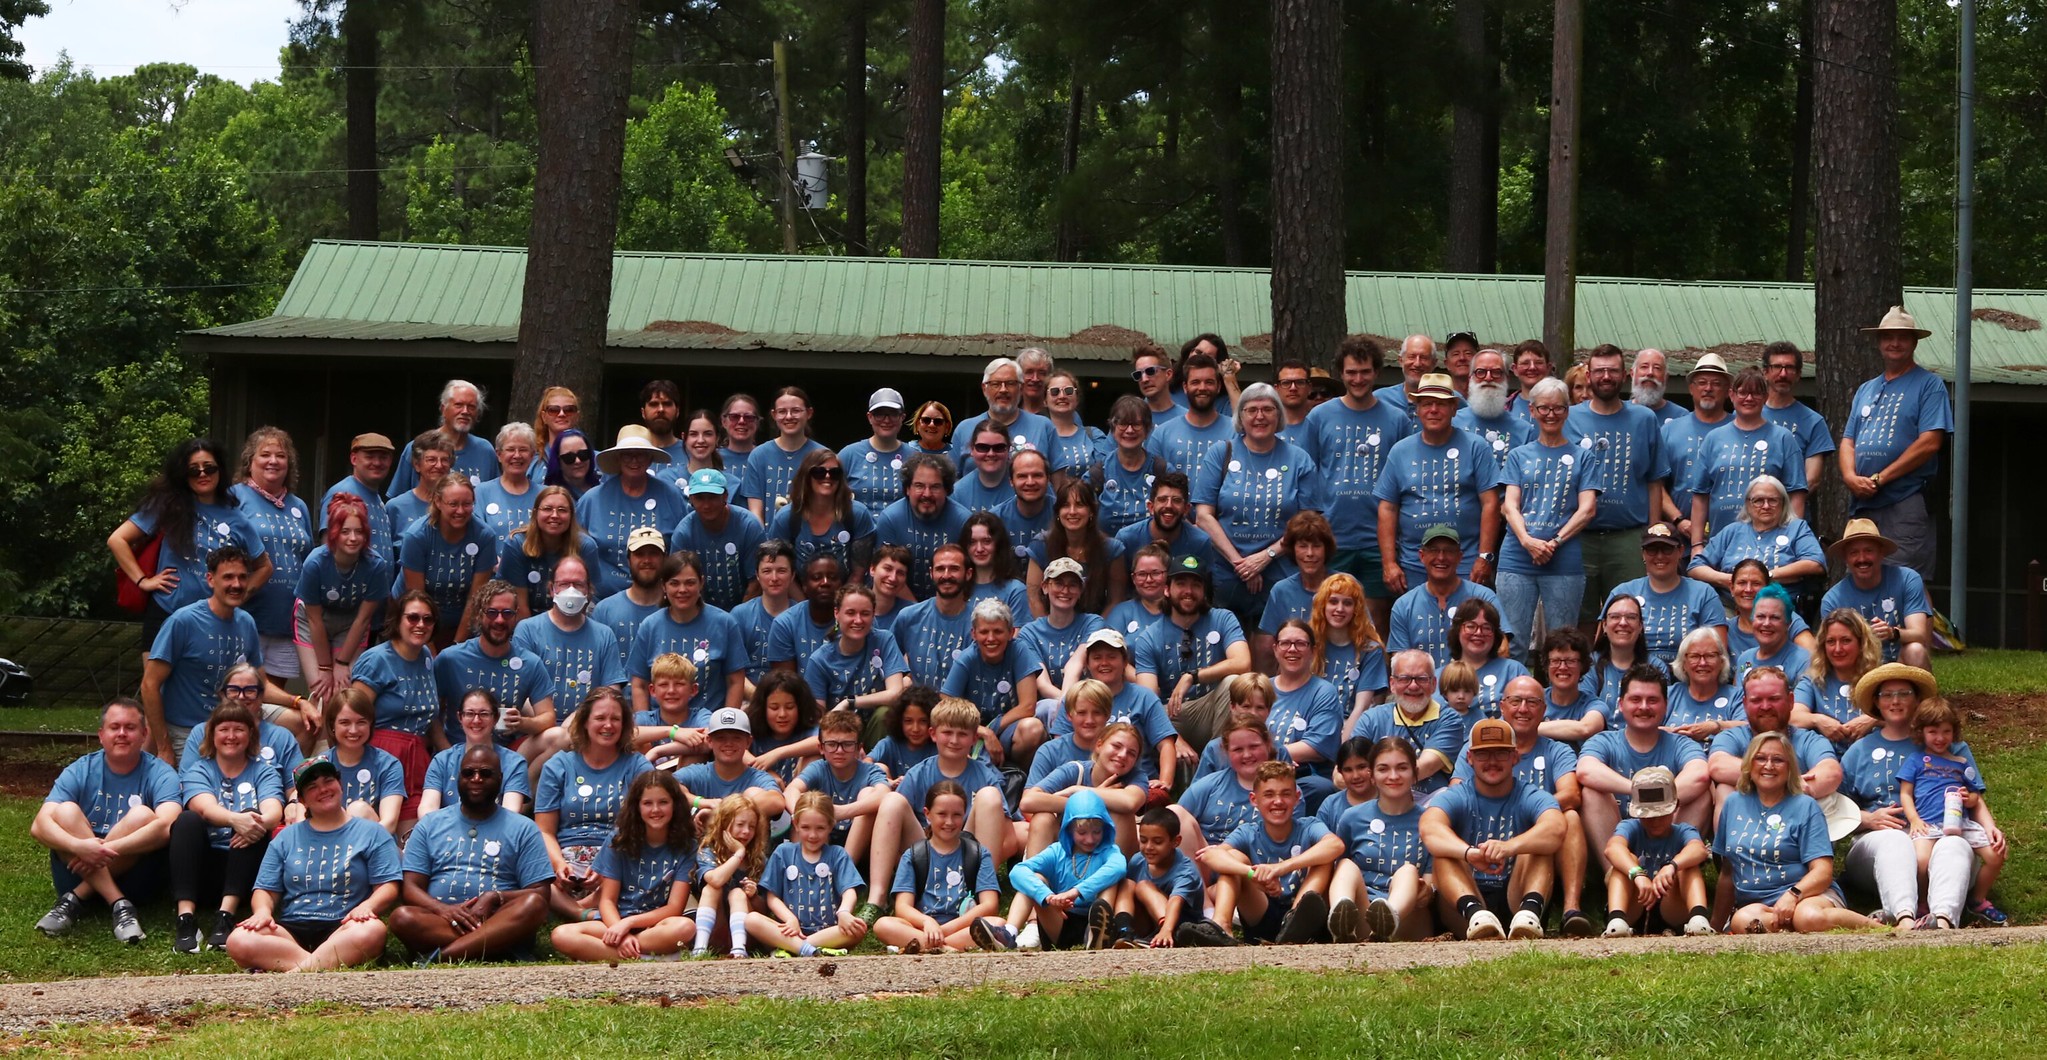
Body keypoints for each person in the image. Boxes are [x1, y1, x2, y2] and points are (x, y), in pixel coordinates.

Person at [224, 759, 400, 971]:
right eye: (312, 787)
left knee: (373, 930)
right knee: (238, 939)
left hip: (346, 925)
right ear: (302, 800)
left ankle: (299, 971)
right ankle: (320, 966)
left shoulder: (372, 832)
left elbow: (388, 885)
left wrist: (368, 906)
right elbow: (265, 889)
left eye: (328, 781)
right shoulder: (286, 837)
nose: (323, 790)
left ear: (340, 785)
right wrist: (262, 912)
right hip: (291, 930)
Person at [32, 698, 182, 943]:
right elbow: (39, 825)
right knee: (65, 811)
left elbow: (168, 825)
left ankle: (74, 899)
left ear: (144, 734)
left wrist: (104, 849)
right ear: (101, 735)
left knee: (143, 815)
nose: (122, 733)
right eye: (115, 727)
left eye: (130, 727)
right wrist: (79, 846)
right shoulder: (80, 769)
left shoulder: (161, 773)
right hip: (75, 869)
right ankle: (119, 904)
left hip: (136, 878)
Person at [390, 744, 555, 961]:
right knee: (402, 917)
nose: (476, 779)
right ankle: (494, 944)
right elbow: (411, 887)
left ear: (500, 778)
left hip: (500, 917)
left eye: (485, 773)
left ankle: (443, 956)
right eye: (468, 773)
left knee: (533, 905)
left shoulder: (524, 828)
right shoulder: (430, 824)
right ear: (458, 778)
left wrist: (495, 897)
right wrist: (443, 910)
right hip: (444, 920)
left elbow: (540, 893)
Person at [110, 438, 271, 659]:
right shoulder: (168, 506)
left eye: (209, 468)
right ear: (183, 475)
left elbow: (264, 567)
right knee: (154, 679)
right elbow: (117, 540)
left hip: (212, 622)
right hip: (165, 611)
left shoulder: (237, 518)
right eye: (194, 470)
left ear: (219, 470)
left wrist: (236, 596)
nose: (202, 474)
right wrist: (143, 581)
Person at [1838, 664, 1969, 930]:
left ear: (1917, 699)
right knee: (1894, 840)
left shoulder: (1946, 744)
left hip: (1937, 836)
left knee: (1954, 844)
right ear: (1876, 702)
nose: (1895, 701)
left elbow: (1974, 795)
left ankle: (1942, 921)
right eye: (1886, 695)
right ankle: (1904, 919)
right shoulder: (1859, 751)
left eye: (1904, 693)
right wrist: (1867, 819)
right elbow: (1834, 808)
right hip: (1876, 844)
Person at [1421, 718, 1564, 940]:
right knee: (1444, 854)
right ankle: (1477, 915)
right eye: (1483, 754)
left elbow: (1556, 828)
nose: (1492, 761)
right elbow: (1429, 828)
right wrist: (1469, 853)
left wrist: (1509, 847)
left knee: (1540, 845)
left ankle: (1529, 913)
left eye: (1501, 753)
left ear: (1515, 757)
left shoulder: (1531, 794)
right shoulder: (1457, 795)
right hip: (1465, 905)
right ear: (1470, 758)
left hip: (1515, 898)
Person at [141, 546, 285, 763]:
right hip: (188, 728)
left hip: (237, 722)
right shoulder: (183, 621)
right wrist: (163, 747)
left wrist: (298, 702)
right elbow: (149, 685)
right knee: (203, 781)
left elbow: (261, 683)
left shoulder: (246, 622)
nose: (236, 584)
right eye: (228, 577)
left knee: (302, 722)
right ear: (210, 579)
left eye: (242, 577)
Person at [1716, 731, 1872, 933]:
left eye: (1778, 760)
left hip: (1809, 895)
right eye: (1760, 758)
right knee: (1744, 920)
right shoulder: (1733, 803)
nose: (1769, 766)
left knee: (1809, 917)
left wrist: (1793, 895)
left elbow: (1823, 871)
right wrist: (1715, 925)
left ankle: (1879, 927)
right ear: (1748, 764)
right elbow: (1728, 872)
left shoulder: (1805, 806)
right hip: (1757, 904)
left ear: (1790, 768)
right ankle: (1793, 925)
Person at [1193, 382, 1322, 625]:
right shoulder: (1221, 453)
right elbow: (1203, 516)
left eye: (1268, 409)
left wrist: (1266, 556)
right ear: (1240, 416)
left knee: (1279, 640)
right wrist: (1241, 564)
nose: (1259, 416)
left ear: (1279, 415)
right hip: (1226, 572)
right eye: (1251, 410)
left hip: (1280, 572)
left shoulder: (1299, 459)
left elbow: (1307, 522)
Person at [1839, 306, 1954, 578]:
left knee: (1906, 579)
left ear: (1914, 343)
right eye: (1888, 337)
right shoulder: (1866, 389)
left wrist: (1880, 479)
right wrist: (1850, 477)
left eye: (1902, 337)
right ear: (1879, 343)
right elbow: (1848, 441)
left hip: (1905, 498)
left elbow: (1930, 442)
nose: (1895, 343)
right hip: (1864, 502)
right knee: (1861, 578)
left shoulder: (1929, 384)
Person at [1179, 761, 1343, 947]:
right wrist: (1253, 874)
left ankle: (1295, 920)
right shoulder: (1247, 831)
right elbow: (1212, 856)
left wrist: (1279, 868)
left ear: (1297, 797)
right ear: (1254, 800)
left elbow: (1335, 845)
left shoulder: (1309, 826)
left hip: (1303, 912)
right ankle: (1221, 927)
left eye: (1286, 794)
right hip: (1261, 910)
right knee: (1234, 858)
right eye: (1269, 795)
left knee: (1324, 858)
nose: (1278, 801)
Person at [1563, 345, 1670, 629]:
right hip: (1578, 538)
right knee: (1579, 620)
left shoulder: (1644, 419)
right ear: (1589, 375)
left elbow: (1654, 480)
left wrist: (1652, 533)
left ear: (1625, 375)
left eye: (1613, 371)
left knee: (1630, 616)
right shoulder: (1569, 418)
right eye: (1600, 371)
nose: (1606, 376)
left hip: (1628, 538)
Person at [170, 700, 283, 953]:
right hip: (204, 869)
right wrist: (235, 820)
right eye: (224, 729)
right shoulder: (199, 770)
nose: (231, 736)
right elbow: (203, 808)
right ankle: (186, 918)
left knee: (254, 818)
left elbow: (274, 812)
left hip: (245, 869)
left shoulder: (264, 771)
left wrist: (253, 822)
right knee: (187, 820)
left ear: (250, 734)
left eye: (239, 729)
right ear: (212, 735)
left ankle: (225, 916)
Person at [549, 770, 699, 962]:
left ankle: (609, 952)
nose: (655, 810)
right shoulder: (619, 839)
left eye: (663, 802)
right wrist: (619, 932)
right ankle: (648, 958)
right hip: (613, 921)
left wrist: (628, 924)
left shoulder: (686, 846)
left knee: (685, 927)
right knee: (562, 935)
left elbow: (674, 907)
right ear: (637, 806)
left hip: (654, 924)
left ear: (675, 804)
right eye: (647, 803)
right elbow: (607, 900)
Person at [1375, 373, 1502, 594]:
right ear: (1417, 409)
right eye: (1426, 404)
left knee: (1469, 616)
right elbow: (1387, 508)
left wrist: (1484, 557)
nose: (1433, 410)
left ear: (1454, 409)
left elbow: (1490, 503)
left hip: (1466, 561)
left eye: (1441, 404)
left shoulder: (1476, 447)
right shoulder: (1400, 451)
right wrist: (1389, 563)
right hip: (1414, 563)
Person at [1497, 377, 1597, 655]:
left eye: (1558, 408)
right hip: (1517, 557)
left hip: (1563, 559)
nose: (1550, 414)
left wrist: (1554, 543)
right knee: (1513, 641)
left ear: (1567, 411)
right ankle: (1514, 685)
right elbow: (1509, 506)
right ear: (1532, 410)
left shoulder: (1583, 457)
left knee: (1562, 643)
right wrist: (1528, 541)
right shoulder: (1518, 456)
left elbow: (1587, 509)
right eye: (1543, 408)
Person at [1577, 665, 1711, 870]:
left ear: (1665, 706)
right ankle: (1616, 875)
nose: (1644, 707)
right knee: (1591, 792)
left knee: (1702, 794)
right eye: (1635, 699)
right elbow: (1586, 770)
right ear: (1621, 704)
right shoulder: (1604, 741)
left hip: (1666, 838)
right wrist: (1640, 790)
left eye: (1653, 700)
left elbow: (1699, 774)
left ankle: (1671, 872)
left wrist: (1649, 795)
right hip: (1616, 838)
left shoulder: (1681, 744)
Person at [536, 688, 653, 920]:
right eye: (600, 718)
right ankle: (585, 913)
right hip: (565, 857)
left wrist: (606, 862)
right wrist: (558, 864)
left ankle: (575, 910)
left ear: (625, 725)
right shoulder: (558, 765)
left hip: (617, 855)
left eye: (615, 719)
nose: (608, 725)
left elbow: (648, 822)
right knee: (532, 873)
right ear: (585, 722)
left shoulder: (637, 766)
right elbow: (544, 830)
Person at [1896, 696, 2008, 927]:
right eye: (1933, 731)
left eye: (1946, 731)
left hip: (1960, 823)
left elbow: (1975, 796)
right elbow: (1905, 793)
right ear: (1921, 732)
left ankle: (1977, 899)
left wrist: (1969, 799)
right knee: (1921, 861)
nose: (1940, 738)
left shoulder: (1961, 762)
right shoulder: (1916, 760)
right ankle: (1923, 902)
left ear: (1954, 732)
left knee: (1996, 855)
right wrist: (1914, 819)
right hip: (1928, 823)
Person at [1132, 555, 1251, 754]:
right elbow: (1148, 697)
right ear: (1167, 589)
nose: (1188, 591)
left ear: (1204, 591)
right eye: (1181, 584)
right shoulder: (1149, 637)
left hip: (1212, 709)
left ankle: (1219, 760)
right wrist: (1173, 738)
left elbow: (1243, 662)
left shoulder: (1223, 619)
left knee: (1234, 683)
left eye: (1196, 585)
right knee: (1142, 713)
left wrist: (1192, 677)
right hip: (1172, 716)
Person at [785, 708, 900, 914]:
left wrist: (841, 812)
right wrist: (801, 814)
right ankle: (802, 880)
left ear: (859, 748)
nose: (839, 751)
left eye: (847, 744)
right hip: (823, 838)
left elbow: (884, 793)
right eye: (832, 744)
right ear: (821, 747)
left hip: (861, 846)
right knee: (803, 809)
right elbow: (792, 790)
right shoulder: (818, 768)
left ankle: (838, 876)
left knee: (869, 795)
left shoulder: (870, 770)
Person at [985, 788, 1127, 951]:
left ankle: (1097, 935)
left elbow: (1119, 867)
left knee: (1112, 880)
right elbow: (1018, 871)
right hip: (1058, 921)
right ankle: (1008, 934)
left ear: (1105, 829)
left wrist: (1076, 892)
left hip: (1093, 922)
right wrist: (1047, 896)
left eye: (1097, 832)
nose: (1090, 839)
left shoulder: (1109, 851)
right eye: (1082, 832)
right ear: (1069, 829)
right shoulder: (1057, 851)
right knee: (1034, 879)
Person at [1326, 736, 1435, 942]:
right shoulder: (1352, 817)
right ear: (1372, 776)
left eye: (1402, 768)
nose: (1393, 776)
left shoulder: (1431, 821)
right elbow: (1336, 870)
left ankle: (1388, 919)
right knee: (1345, 866)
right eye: (1383, 769)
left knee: (1407, 871)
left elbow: (1430, 885)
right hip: (1363, 914)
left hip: (1410, 918)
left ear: (1415, 774)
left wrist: (1427, 890)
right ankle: (1341, 923)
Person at [872, 781, 1001, 954]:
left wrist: (943, 931)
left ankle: (931, 946)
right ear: (927, 814)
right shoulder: (914, 855)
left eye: (956, 815)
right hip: (923, 928)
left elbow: (990, 904)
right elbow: (902, 907)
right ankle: (948, 948)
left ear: (964, 815)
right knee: (883, 925)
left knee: (998, 923)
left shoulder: (978, 853)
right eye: (942, 814)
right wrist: (927, 922)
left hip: (960, 927)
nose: (949, 822)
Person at [230, 428, 314, 687]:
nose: (273, 461)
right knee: (238, 692)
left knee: (273, 698)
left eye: (281, 455)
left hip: (286, 621)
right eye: (265, 454)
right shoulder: (234, 497)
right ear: (250, 461)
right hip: (246, 617)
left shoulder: (298, 506)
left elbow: (308, 560)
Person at [349, 590, 442, 821]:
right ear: (397, 619)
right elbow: (350, 717)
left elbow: (429, 719)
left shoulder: (426, 655)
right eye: (413, 617)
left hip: (417, 759)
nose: (420, 625)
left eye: (428, 619)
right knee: (375, 827)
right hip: (379, 758)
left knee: (414, 835)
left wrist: (452, 755)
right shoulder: (376, 660)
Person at [1706, 665, 1842, 822]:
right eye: (1756, 700)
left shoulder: (1809, 740)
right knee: (1724, 789)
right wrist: (1785, 781)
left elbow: (1831, 772)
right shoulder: (1732, 736)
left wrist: (1774, 784)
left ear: (1791, 701)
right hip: (1747, 825)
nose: (1765, 707)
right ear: (1745, 704)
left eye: (1774, 699)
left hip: (1795, 821)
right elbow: (1718, 765)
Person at [1686, 367, 1808, 537]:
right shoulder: (1713, 438)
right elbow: (1700, 496)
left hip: (1769, 539)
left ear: (1765, 397)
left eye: (1756, 393)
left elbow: (1797, 493)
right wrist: (1697, 544)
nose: (1749, 398)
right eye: (1743, 392)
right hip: (1720, 539)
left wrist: (1790, 539)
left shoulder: (1783, 438)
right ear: (1731, 395)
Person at [434, 580, 558, 746]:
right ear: (479, 614)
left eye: (507, 613)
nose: (500, 620)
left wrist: (522, 723)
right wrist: (446, 753)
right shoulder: (450, 659)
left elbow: (548, 717)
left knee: (558, 736)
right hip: (459, 749)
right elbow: (432, 714)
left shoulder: (530, 663)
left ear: (516, 615)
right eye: (492, 612)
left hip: (507, 753)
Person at [628, 551, 749, 720]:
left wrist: (726, 725)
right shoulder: (649, 626)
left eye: (690, 583)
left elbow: (735, 682)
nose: (682, 590)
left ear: (701, 583)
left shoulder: (725, 623)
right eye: (674, 583)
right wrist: (645, 726)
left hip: (709, 727)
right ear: (664, 586)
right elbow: (639, 684)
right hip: (660, 728)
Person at [747, 791, 869, 957]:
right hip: (790, 930)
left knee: (858, 929)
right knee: (752, 920)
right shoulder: (783, 852)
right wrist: (790, 919)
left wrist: (844, 912)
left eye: (820, 828)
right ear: (795, 824)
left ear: (831, 826)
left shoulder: (837, 854)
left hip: (828, 932)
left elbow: (849, 890)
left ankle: (795, 947)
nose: (812, 835)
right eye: (805, 827)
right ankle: (807, 949)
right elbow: (772, 897)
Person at [513, 554, 628, 727]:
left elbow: (612, 693)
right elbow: (518, 689)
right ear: (552, 589)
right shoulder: (527, 630)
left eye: (578, 584)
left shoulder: (604, 635)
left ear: (588, 590)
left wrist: (575, 723)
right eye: (564, 584)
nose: (571, 590)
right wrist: (546, 723)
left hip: (587, 729)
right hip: (539, 731)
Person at [1601, 766, 1713, 937]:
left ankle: (1698, 918)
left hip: (1671, 906)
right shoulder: (1630, 827)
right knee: (1624, 862)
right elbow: (1612, 848)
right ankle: (1616, 920)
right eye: (1648, 816)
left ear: (1676, 806)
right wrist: (1637, 874)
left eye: (1661, 814)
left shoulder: (1683, 831)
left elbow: (1699, 849)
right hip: (1636, 904)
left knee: (1688, 864)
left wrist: (1672, 866)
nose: (1655, 821)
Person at [1688, 475, 1826, 608]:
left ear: (1783, 503)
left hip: (1778, 607)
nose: (1766, 506)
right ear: (1748, 504)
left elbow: (1815, 563)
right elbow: (1695, 567)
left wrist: (1767, 576)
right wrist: (1728, 579)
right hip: (1731, 606)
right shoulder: (1732, 530)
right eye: (1758, 500)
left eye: (1773, 500)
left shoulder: (1796, 528)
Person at [1384, 525, 1511, 670]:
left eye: (1449, 551)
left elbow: (1502, 650)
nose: (1441, 557)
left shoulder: (1483, 597)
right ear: (1422, 556)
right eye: (1434, 550)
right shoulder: (1404, 605)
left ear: (1460, 557)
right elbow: (1399, 662)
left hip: (1474, 681)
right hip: (1423, 682)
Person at [578, 427, 686, 594]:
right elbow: (576, 549)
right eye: (627, 454)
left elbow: (683, 551)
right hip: (601, 598)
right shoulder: (592, 499)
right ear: (618, 458)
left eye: (641, 454)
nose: (634, 460)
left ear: (650, 459)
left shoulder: (671, 496)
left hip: (658, 597)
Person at [1347, 650, 1466, 799]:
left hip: (1428, 801)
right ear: (1392, 684)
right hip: (1377, 799)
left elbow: (1424, 767)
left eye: (1422, 679)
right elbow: (1343, 773)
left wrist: (1366, 777)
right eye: (1405, 679)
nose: (1413, 686)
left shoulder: (1449, 719)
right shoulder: (1371, 719)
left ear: (1433, 684)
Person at [1604, 521, 1724, 668]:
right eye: (1652, 550)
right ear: (1643, 553)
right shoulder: (1622, 592)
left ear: (1681, 551)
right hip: (1633, 674)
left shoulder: (1704, 594)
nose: (1660, 556)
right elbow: (1603, 651)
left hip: (1688, 675)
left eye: (1667, 549)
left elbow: (1718, 654)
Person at [941, 598, 1045, 768]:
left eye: (998, 631)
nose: (991, 638)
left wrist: (992, 729)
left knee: (1033, 729)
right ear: (974, 634)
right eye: (984, 632)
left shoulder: (1019, 650)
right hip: (972, 731)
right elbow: (945, 704)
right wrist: (982, 732)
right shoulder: (967, 658)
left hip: (1009, 729)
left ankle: (1016, 773)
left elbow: (1027, 706)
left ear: (1011, 632)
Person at [398, 470, 497, 646]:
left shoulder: (484, 536)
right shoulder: (417, 536)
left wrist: (456, 647)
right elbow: (416, 599)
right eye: (453, 504)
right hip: (415, 621)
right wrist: (429, 649)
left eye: (467, 504)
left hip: (461, 622)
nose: (460, 510)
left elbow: (475, 598)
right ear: (438, 502)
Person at [802, 585, 910, 741]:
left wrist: (850, 702)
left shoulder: (883, 640)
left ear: (873, 614)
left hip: (878, 731)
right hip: (839, 735)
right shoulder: (820, 660)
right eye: (851, 613)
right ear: (837, 613)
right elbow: (818, 721)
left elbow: (896, 693)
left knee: (885, 713)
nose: (858, 620)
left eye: (865, 613)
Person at [1820, 519, 1931, 668]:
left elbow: (1920, 634)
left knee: (1916, 650)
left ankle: (1920, 684)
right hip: (1859, 669)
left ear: (1881, 553)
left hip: (1901, 664)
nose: (1862, 559)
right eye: (1854, 553)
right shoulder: (1832, 600)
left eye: (1868, 551)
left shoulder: (1907, 579)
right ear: (1846, 558)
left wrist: (1892, 633)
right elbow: (1834, 652)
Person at [304, 688, 407, 835]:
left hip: (373, 843)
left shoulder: (388, 764)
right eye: (345, 722)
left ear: (370, 724)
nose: (353, 730)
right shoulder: (317, 765)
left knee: (358, 809)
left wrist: (348, 843)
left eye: (361, 722)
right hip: (328, 843)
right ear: (332, 725)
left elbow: (389, 824)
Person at [874, 453, 971, 601]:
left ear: (947, 490)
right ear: (907, 489)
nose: (927, 494)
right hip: (900, 604)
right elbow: (889, 576)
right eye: (919, 486)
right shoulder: (890, 519)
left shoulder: (963, 521)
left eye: (935, 487)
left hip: (951, 603)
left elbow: (970, 574)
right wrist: (918, 611)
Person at [1656, 352, 1731, 542]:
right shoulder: (1670, 430)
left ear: (1728, 390)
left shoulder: (1741, 429)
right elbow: (1657, 485)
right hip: (1679, 537)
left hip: (1730, 535)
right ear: (1691, 388)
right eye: (1702, 382)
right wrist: (1678, 519)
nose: (1708, 388)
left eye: (1716, 383)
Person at [421, 689, 534, 814]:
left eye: (484, 714)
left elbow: (511, 812)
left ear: (496, 718)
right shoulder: (442, 760)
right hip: (446, 826)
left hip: (498, 826)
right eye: (470, 714)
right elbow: (427, 810)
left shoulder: (514, 763)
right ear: (460, 717)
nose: (476, 720)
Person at [669, 470, 767, 614]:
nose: (707, 505)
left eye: (713, 497)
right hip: (699, 612)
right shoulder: (683, 534)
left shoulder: (749, 526)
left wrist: (737, 617)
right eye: (700, 498)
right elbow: (678, 583)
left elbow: (756, 581)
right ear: (691, 499)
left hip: (746, 611)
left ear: (725, 496)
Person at [498, 484, 601, 619]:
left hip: (571, 618)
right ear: (535, 513)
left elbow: (584, 602)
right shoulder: (516, 544)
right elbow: (519, 607)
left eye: (562, 510)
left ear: (571, 515)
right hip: (526, 621)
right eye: (547, 509)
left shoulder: (586, 547)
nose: (554, 515)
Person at [669, 707, 787, 823]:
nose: (729, 743)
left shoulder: (757, 777)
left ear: (748, 742)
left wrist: (720, 812)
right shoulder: (699, 772)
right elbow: (666, 786)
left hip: (743, 835)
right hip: (702, 836)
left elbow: (776, 800)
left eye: (736, 738)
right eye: (721, 738)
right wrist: (700, 802)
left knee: (753, 792)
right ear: (710, 741)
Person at [1018, 558, 1105, 712]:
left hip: (1089, 702)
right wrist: (1068, 705)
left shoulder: (1093, 623)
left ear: (1080, 591)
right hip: (1050, 705)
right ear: (1045, 587)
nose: (1065, 591)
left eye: (1072, 585)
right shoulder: (1029, 633)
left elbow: (1076, 664)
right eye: (1058, 584)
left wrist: (1072, 705)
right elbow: (1043, 684)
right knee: (1047, 708)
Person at [689, 793, 770, 958]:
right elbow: (715, 880)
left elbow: (764, 910)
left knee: (737, 893)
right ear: (724, 824)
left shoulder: (758, 859)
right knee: (711, 889)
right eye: (740, 824)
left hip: (747, 933)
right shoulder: (708, 851)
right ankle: (700, 948)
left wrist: (754, 896)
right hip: (716, 930)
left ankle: (739, 949)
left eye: (752, 826)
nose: (746, 831)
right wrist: (738, 854)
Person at [1029, 481, 1126, 616]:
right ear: (1058, 512)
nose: (1072, 511)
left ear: (1091, 511)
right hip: (1050, 623)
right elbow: (1034, 599)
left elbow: (1115, 601)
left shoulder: (1111, 549)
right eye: (1065, 505)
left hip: (1097, 625)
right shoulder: (1041, 545)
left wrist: (1098, 628)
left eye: (1079, 505)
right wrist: (1048, 628)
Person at [387, 379, 498, 497]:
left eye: (471, 407)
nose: (465, 411)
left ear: (478, 413)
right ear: (443, 409)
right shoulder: (418, 447)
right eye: (458, 405)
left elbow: (495, 497)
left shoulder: (485, 451)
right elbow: (398, 501)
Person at [1111, 471, 1216, 593]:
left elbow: (1206, 592)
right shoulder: (1127, 538)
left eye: (1176, 500)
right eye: (1162, 499)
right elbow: (1119, 592)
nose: (1169, 506)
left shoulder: (1200, 542)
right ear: (1151, 507)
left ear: (1186, 509)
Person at [1794, 608, 1883, 750]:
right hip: (1823, 756)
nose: (1837, 649)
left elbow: (1907, 715)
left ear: (1861, 644)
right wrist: (1817, 720)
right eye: (1830, 641)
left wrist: (1872, 719)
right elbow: (1792, 716)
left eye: (1846, 641)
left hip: (1869, 755)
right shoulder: (1813, 680)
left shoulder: (1880, 678)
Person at [950, 357, 1057, 474]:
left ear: (1021, 388)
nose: (1003, 390)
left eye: (1010, 383)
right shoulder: (964, 429)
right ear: (984, 389)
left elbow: (1058, 479)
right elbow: (950, 478)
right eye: (995, 384)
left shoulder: (1043, 427)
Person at [893, 544, 977, 691]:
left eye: (954, 569)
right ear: (931, 573)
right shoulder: (908, 617)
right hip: (918, 703)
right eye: (940, 569)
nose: (946, 575)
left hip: (963, 704)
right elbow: (887, 663)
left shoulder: (979, 623)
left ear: (968, 574)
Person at [1147, 353, 1233, 479]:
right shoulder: (1162, 435)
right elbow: (1150, 482)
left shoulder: (1234, 433)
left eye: (1209, 382)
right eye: (1195, 382)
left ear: (1218, 386)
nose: (1202, 388)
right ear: (1185, 387)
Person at [1439, 599, 1529, 719]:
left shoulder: (1514, 671)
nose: (1478, 633)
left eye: (1486, 628)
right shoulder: (1440, 675)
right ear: (1457, 630)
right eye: (1471, 626)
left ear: (1495, 634)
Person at [319, 433, 398, 566]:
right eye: (369, 457)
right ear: (354, 459)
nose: (377, 463)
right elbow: (328, 549)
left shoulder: (377, 498)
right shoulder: (343, 492)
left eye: (383, 457)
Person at [765, 552, 845, 673]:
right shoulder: (785, 624)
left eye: (832, 577)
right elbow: (785, 681)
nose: (825, 582)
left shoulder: (857, 619)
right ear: (804, 586)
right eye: (816, 578)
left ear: (841, 584)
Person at [1097, 395, 1165, 534]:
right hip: (1108, 547)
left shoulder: (1162, 471)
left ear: (1147, 429)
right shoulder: (1098, 473)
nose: (1129, 430)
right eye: (1123, 424)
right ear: (1113, 429)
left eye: (1136, 424)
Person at [841, 388, 910, 520]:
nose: (886, 420)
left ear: (902, 417)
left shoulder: (915, 457)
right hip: (858, 530)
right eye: (879, 414)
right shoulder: (849, 454)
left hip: (901, 530)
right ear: (870, 417)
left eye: (893, 414)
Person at [1453, 349, 1535, 460]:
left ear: (1506, 378)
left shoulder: (1524, 431)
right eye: (1481, 372)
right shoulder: (1452, 423)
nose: (1488, 378)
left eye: (1496, 372)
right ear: (1470, 378)